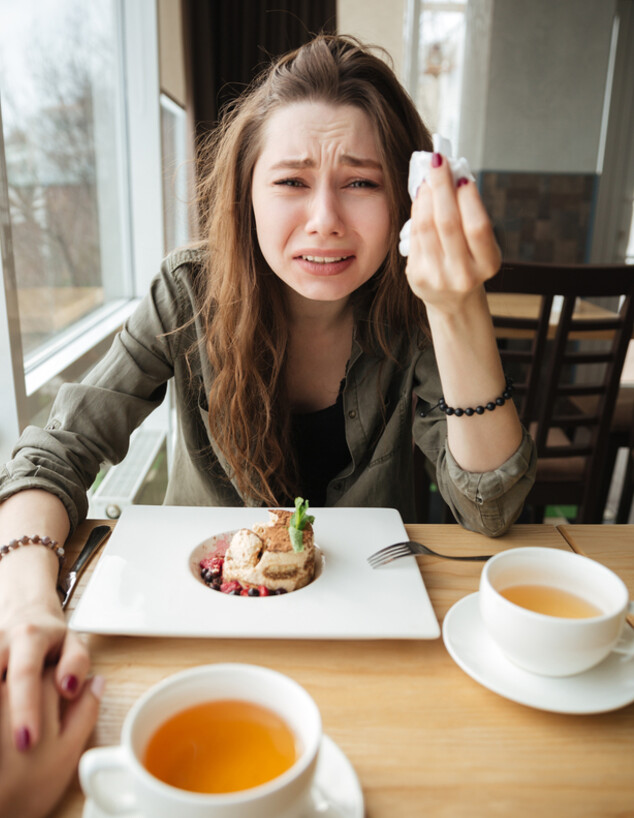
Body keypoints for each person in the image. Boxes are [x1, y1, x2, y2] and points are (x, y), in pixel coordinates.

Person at [0, 33, 536, 757]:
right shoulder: (185, 292)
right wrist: (27, 600)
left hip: (371, 645)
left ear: (405, 199)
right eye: (290, 182)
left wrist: (458, 307)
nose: (324, 219)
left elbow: (490, 508)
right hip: (195, 634)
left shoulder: (415, 310)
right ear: (246, 193)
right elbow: (57, 452)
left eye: (361, 182)